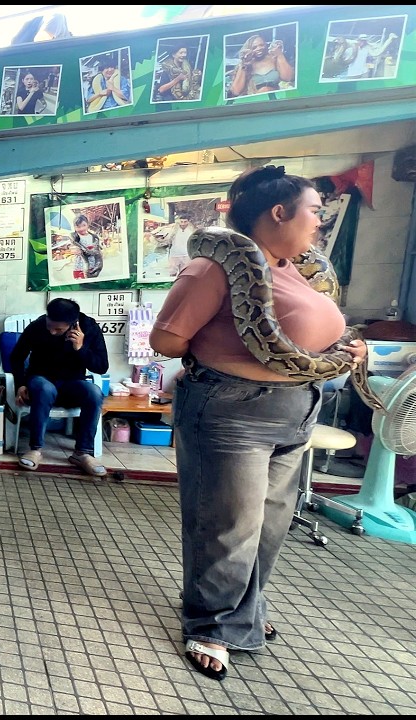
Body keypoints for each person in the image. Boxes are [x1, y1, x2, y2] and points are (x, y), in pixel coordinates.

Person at [148, 165, 367, 682]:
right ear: (278, 212)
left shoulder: (293, 267)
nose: (319, 221)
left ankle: (243, 611)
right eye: (314, 210)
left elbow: (315, 328)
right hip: (233, 411)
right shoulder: (213, 266)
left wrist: (343, 350)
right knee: (229, 525)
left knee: (269, 525)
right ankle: (213, 626)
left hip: (295, 411)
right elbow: (167, 341)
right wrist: (236, 355)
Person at [9, 298, 109, 477]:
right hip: (41, 383)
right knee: (43, 388)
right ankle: (35, 449)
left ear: (73, 325)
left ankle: (82, 453)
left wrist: (81, 348)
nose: (51, 331)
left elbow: (101, 367)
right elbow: (16, 357)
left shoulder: (89, 328)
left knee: (94, 392)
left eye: (58, 329)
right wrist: (21, 384)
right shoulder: (38, 326)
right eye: (50, 326)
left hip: (71, 384)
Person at [228, 33, 294, 98]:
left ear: (265, 45)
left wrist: (280, 55)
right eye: (254, 47)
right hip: (256, 102)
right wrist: (244, 64)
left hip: (276, 98)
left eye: (261, 45)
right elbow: (236, 91)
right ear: (249, 50)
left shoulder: (273, 58)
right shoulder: (246, 64)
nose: (259, 48)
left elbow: (288, 78)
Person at [162, 211, 199, 275]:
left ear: (188, 221)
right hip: (174, 255)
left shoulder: (192, 229)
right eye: (181, 221)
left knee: (184, 274)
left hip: (186, 255)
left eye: (185, 222)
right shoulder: (173, 229)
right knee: (172, 274)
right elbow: (166, 239)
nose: (183, 224)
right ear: (179, 221)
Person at [70, 213, 104, 278]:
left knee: (91, 279)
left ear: (88, 224)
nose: (82, 228)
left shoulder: (94, 237)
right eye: (78, 227)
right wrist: (74, 250)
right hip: (79, 264)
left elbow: (97, 251)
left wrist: (100, 256)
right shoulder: (74, 236)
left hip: (92, 264)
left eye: (84, 225)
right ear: (74, 227)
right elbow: (71, 247)